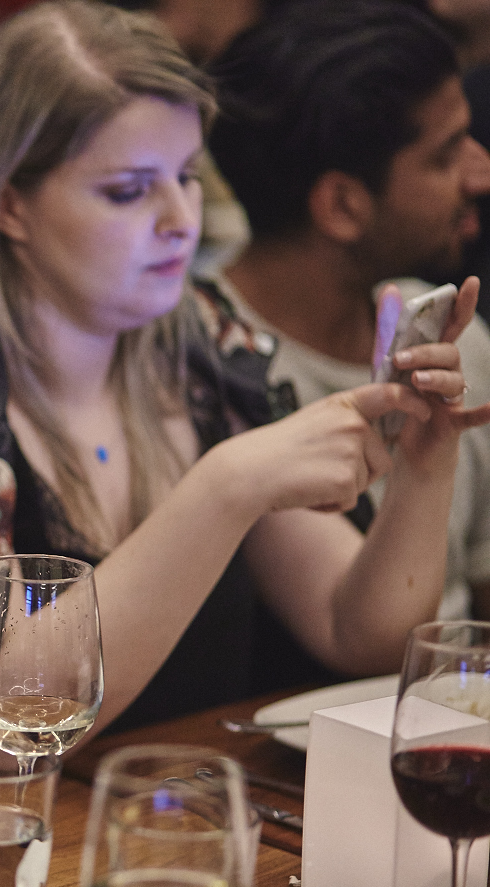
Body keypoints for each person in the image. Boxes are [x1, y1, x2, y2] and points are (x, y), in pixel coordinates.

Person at [0, 0, 489, 809]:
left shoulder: (203, 346)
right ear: (9, 204)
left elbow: (357, 632)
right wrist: (221, 490)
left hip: (164, 831)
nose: (179, 221)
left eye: (186, 177)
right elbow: (2, 730)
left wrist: (425, 462)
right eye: (130, 190)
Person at [204, 1, 490, 660]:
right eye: (445, 154)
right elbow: (361, 645)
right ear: (342, 205)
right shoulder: (211, 365)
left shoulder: (451, 333)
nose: (480, 170)